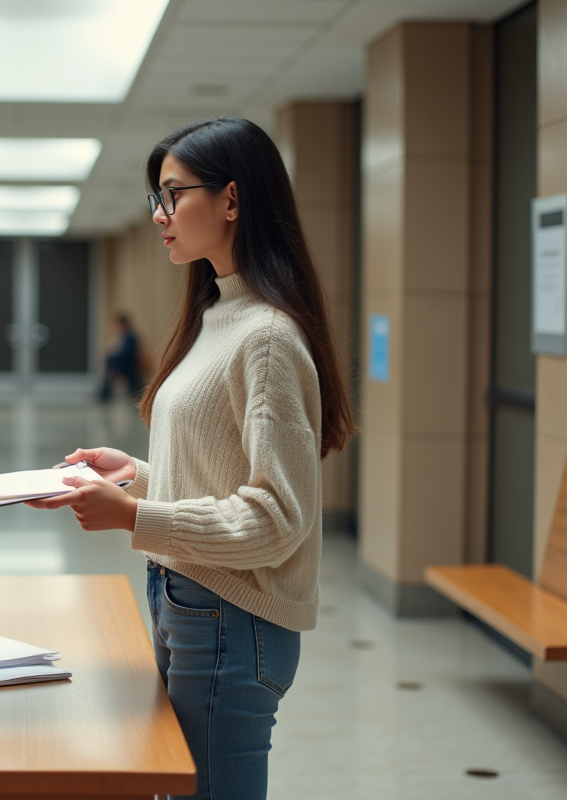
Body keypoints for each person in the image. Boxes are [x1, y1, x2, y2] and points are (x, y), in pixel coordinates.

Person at [27, 117, 356, 800]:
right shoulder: (215, 315)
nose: (160, 214)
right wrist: (135, 478)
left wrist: (135, 517)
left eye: (173, 194)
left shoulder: (267, 337)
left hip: (230, 615)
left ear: (231, 199)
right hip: (186, 596)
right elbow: (220, 475)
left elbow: (276, 518)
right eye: (157, 197)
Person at [98, 312, 141, 401]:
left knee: (111, 368)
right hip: (123, 365)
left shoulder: (129, 337)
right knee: (110, 371)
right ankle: (104, 394)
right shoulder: (123, 337)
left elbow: (126, 354)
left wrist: (113, 359)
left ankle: (104, 395)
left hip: (127, 366)